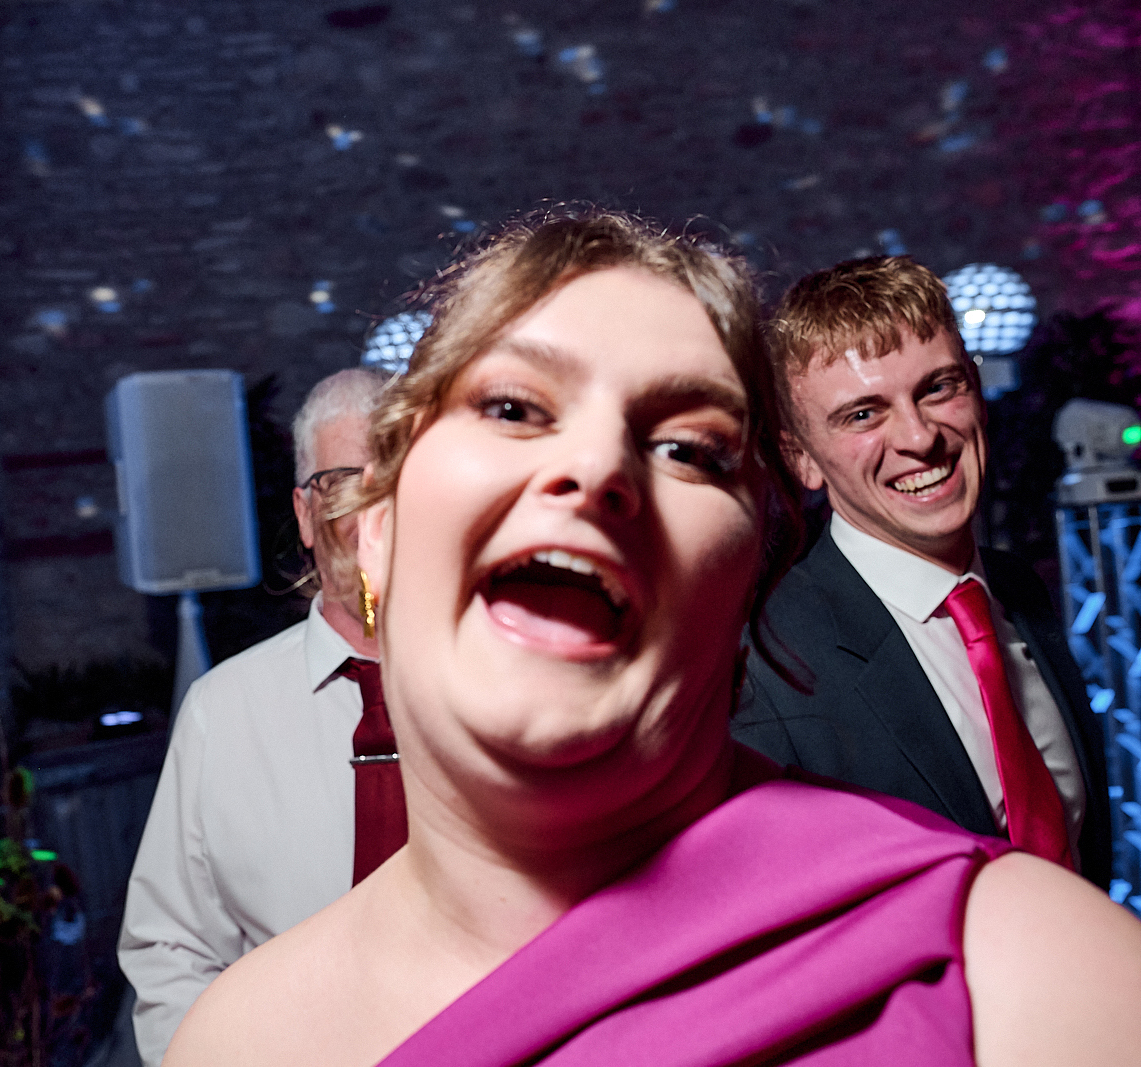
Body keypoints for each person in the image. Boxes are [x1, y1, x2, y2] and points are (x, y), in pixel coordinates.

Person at [163, 209, 1141, 1067]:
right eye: (512, 407)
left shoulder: (1023, 970)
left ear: (748, 574)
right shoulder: (240, 1040)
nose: (596, 465)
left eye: (688, 448)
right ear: (372, 532)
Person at [733, 256, 1111, 886]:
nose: (919, 437)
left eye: (938, 388)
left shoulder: (1018, 591)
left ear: (977, 393)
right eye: (863, 414)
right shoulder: (770, 665)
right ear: (801, 459)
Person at [118, 367, 398, 1067]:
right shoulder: (223, 713)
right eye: (343, 482)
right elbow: (171, 950)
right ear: (304, 513)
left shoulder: (498, 689)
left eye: (396, 483)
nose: (371, 514)